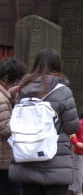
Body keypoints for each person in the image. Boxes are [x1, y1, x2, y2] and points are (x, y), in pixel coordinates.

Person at [8, 48, 80, 195]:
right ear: (57, 65)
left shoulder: (23, 89)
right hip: (55, 161)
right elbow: (72, 127)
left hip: (27, 157)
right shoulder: (63, 91)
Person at [0, 58, 26, 195]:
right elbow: (5, 130)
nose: (16, 83)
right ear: (6, 78)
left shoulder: (4, 96)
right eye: (15, 80)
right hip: (3, 159)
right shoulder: (2, 100)